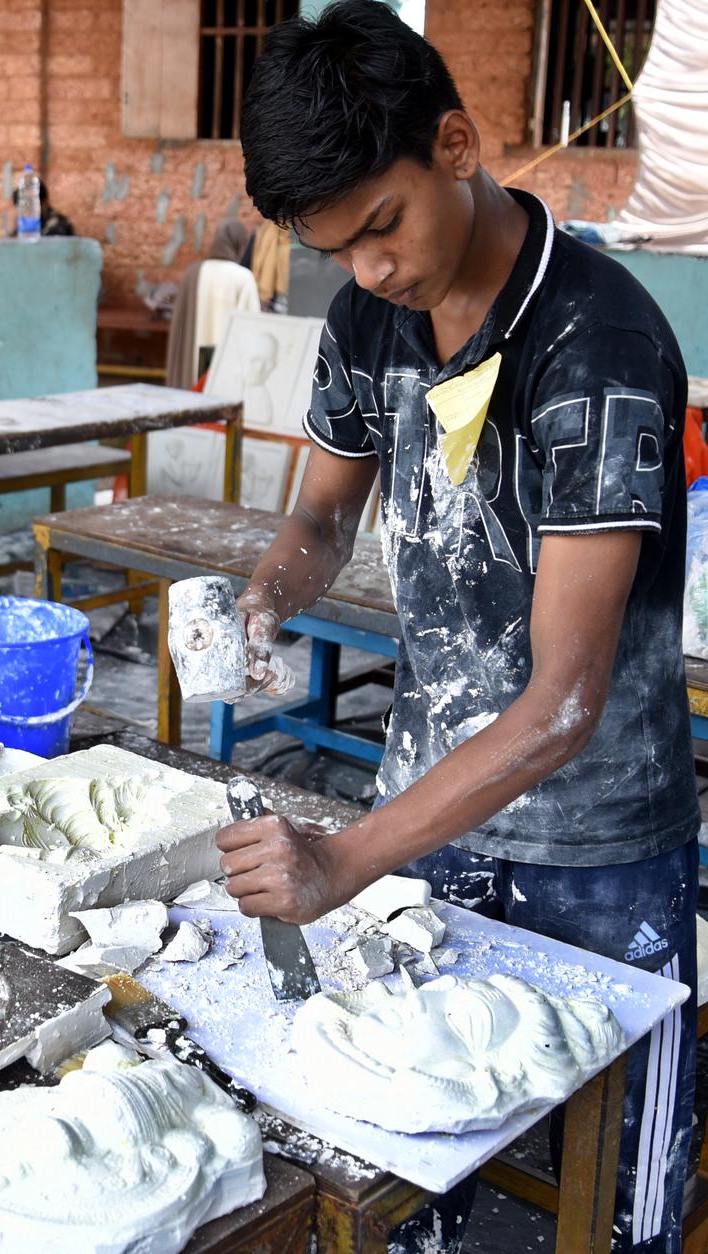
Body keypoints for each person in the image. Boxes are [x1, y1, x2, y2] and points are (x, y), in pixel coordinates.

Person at [218, 5, 697, 1252]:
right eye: (339, 251)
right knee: (422, 1190)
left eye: (383, 226)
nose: (371, 269)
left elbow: (562, 704)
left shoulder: (598, 345)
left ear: (458, 142)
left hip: (592, 857)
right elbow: (322, 520)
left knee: (605, 1212)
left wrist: (346, 859)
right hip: (430, 826)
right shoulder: (367, 321)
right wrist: (262, 601)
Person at [165, 219, 260, 389]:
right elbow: (252, 326)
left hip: (191, 363)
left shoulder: (191, 273)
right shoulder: (243, 277)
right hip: (226, 365)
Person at [10, 176, 75, 237]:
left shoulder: (58, 225)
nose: (26, 211)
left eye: (30, 205)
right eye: (22, 207)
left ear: (44, 203)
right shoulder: (24, 225)